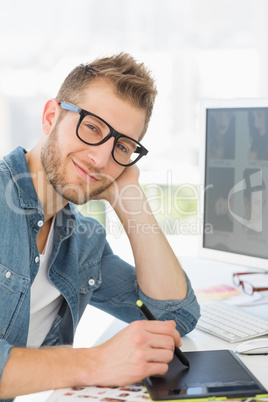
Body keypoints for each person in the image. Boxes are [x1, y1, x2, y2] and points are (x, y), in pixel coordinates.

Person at [0, 53, 200, 400]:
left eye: (122, 146)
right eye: (92, 127)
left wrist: (129, 197)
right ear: (51, 116)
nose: (101, 159)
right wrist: (96, 361)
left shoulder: (81, 240)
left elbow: (175, 316)